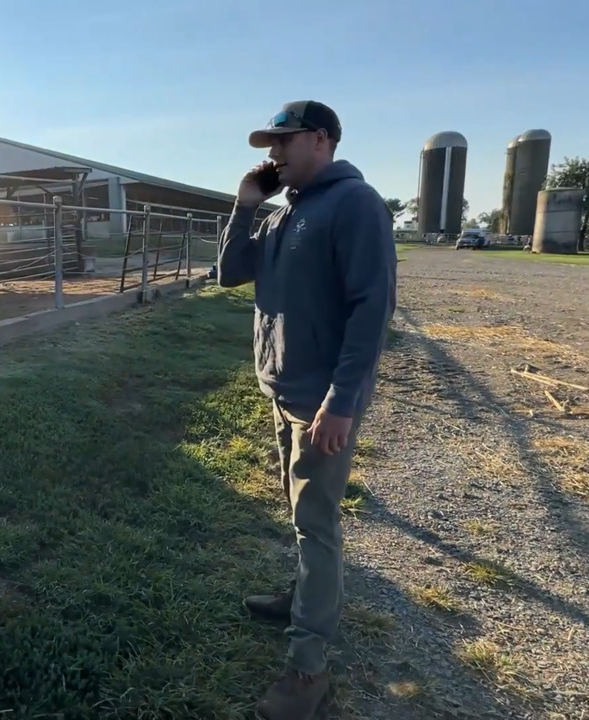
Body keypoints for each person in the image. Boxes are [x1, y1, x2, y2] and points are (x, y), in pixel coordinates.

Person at [216, 101, 397, 720]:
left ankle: (308, 666)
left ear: (321, 140)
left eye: (284, 141)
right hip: (282, 390)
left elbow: (371, 309)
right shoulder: (282, 212)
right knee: (299, 515)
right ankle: (303, 599)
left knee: (317, 525)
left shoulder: (355, 204)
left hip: (321, 403)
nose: (272, 154)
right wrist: (245, 206)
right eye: (270, 145)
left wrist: (342, 402)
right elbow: (228, 275)